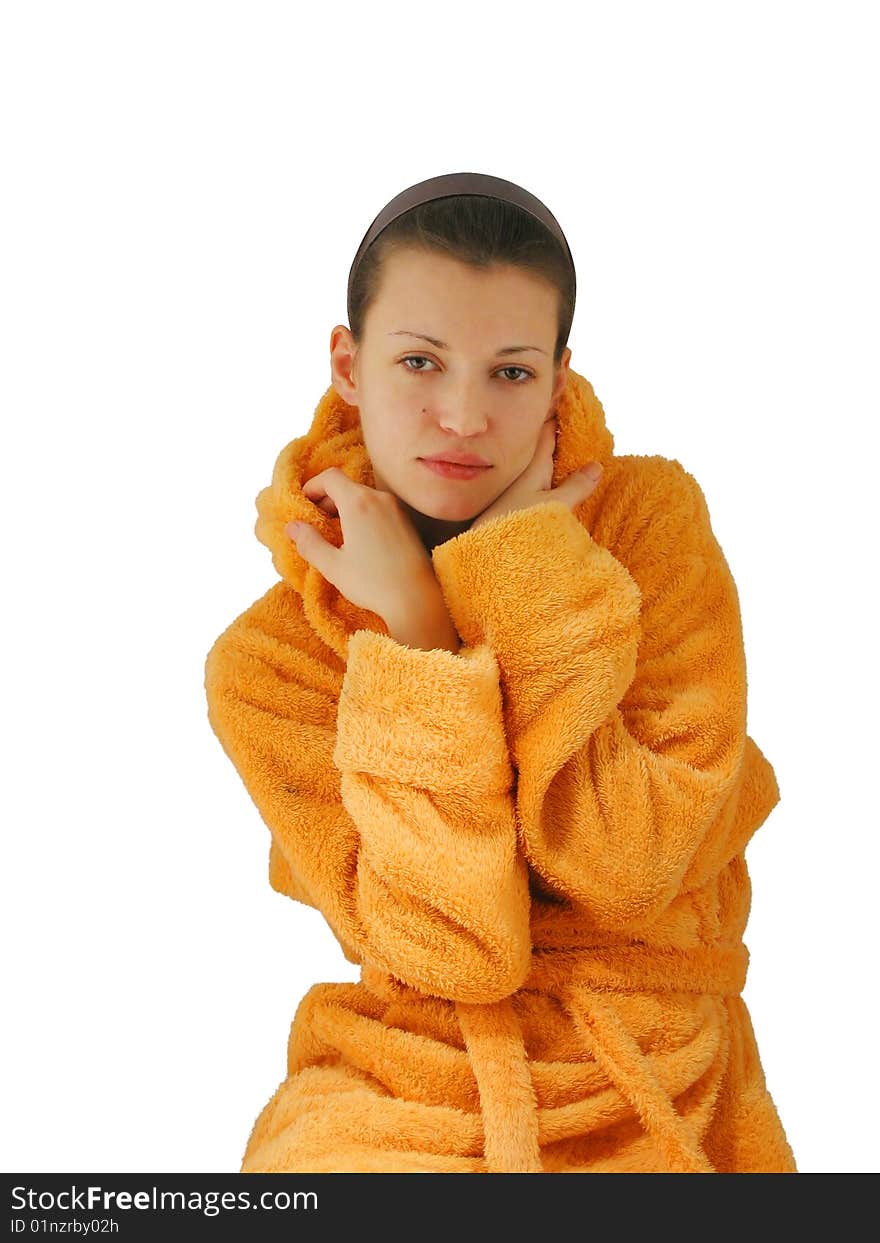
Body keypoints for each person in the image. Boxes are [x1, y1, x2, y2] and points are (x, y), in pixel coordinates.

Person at [203, 171, 798, 1173]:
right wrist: (417, 642)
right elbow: (455, 955)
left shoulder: (646, 526)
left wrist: (526, 573)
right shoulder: (270, 663)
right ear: (348, 364)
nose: (464, 416)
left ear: (559, 375)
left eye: (510, 372)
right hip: (405, 1080)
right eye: (421, 362)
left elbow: (629, 865)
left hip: (655, 1072)